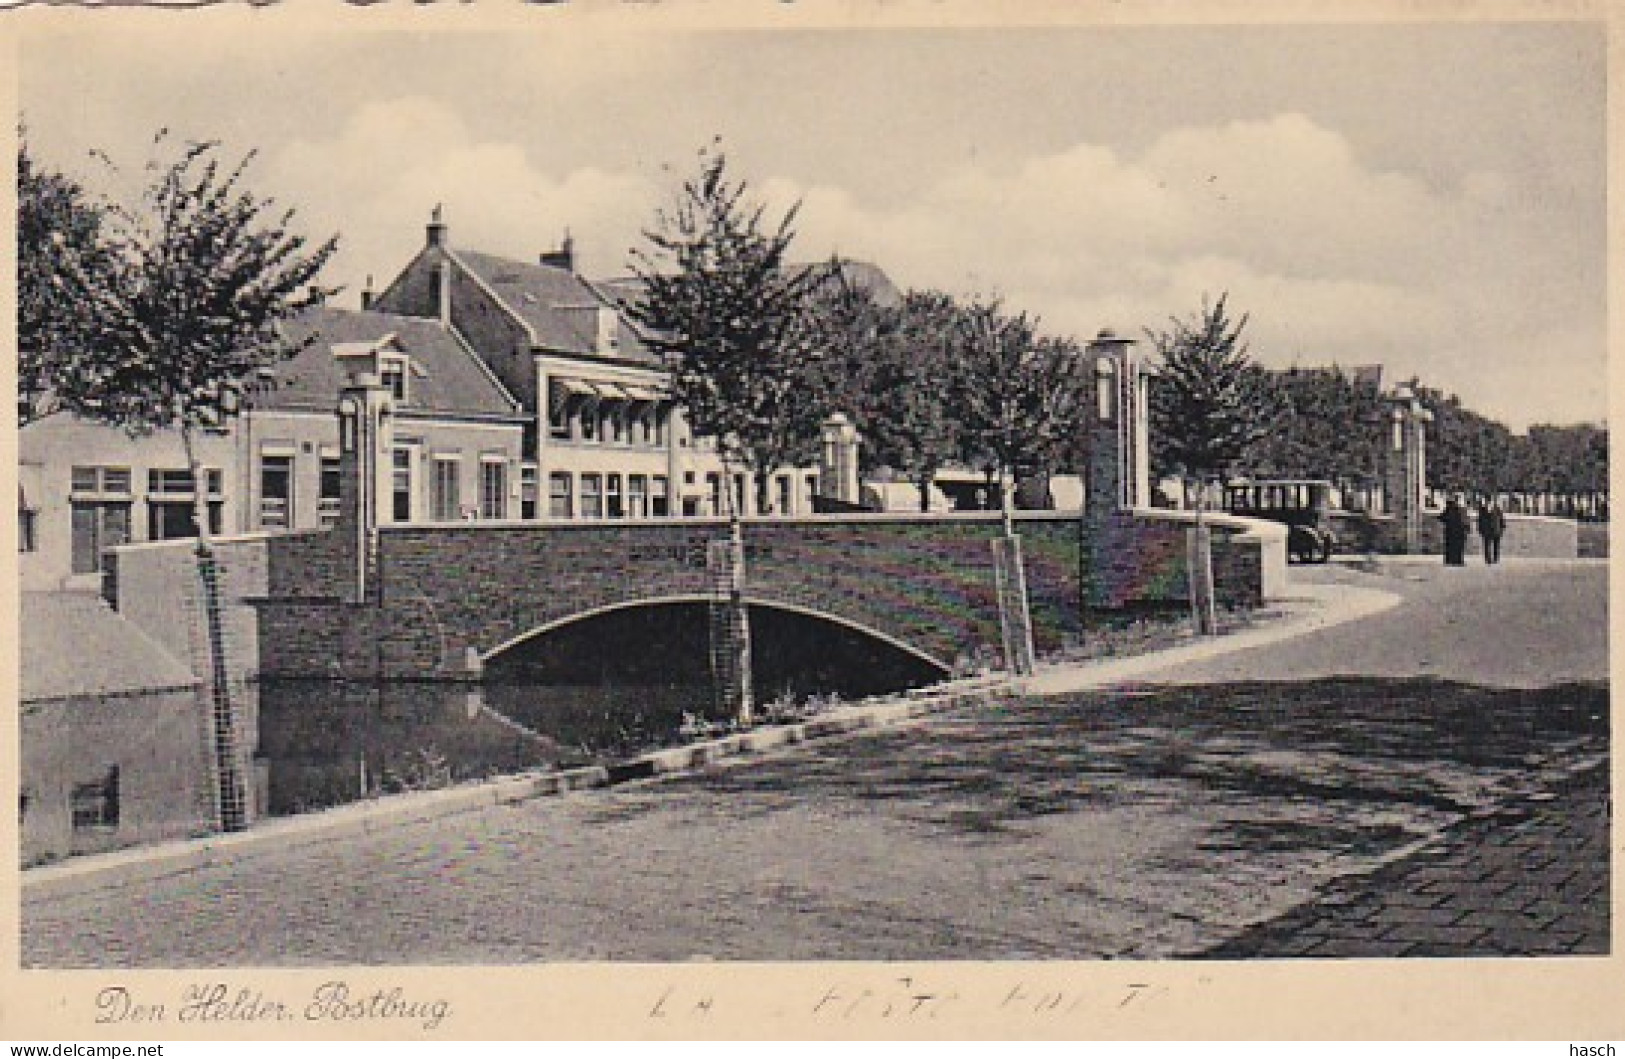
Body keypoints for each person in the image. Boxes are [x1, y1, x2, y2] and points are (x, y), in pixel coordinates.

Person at [1439, 495, 1470, 566]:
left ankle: (1451, 560)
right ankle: (1457, 560)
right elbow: (1465, 520)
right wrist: (1467, 528)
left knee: (1451, 546)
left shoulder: (1450, 509)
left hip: (1451, 531)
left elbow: (1443, 518)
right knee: (1458, 547)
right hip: (1459, 531)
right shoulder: (1461, 509)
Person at [1477, 498, 1506, 564]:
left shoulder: (1496, 508)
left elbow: (1501, 518)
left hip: (1495, 528)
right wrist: (1480, 528)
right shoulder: (1483, 509)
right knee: (1487, 545)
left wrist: (1502, 527)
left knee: (1495, 545)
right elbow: (1480, 519)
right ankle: (1488, 558)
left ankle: (1495, 558)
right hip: (1487, 529)